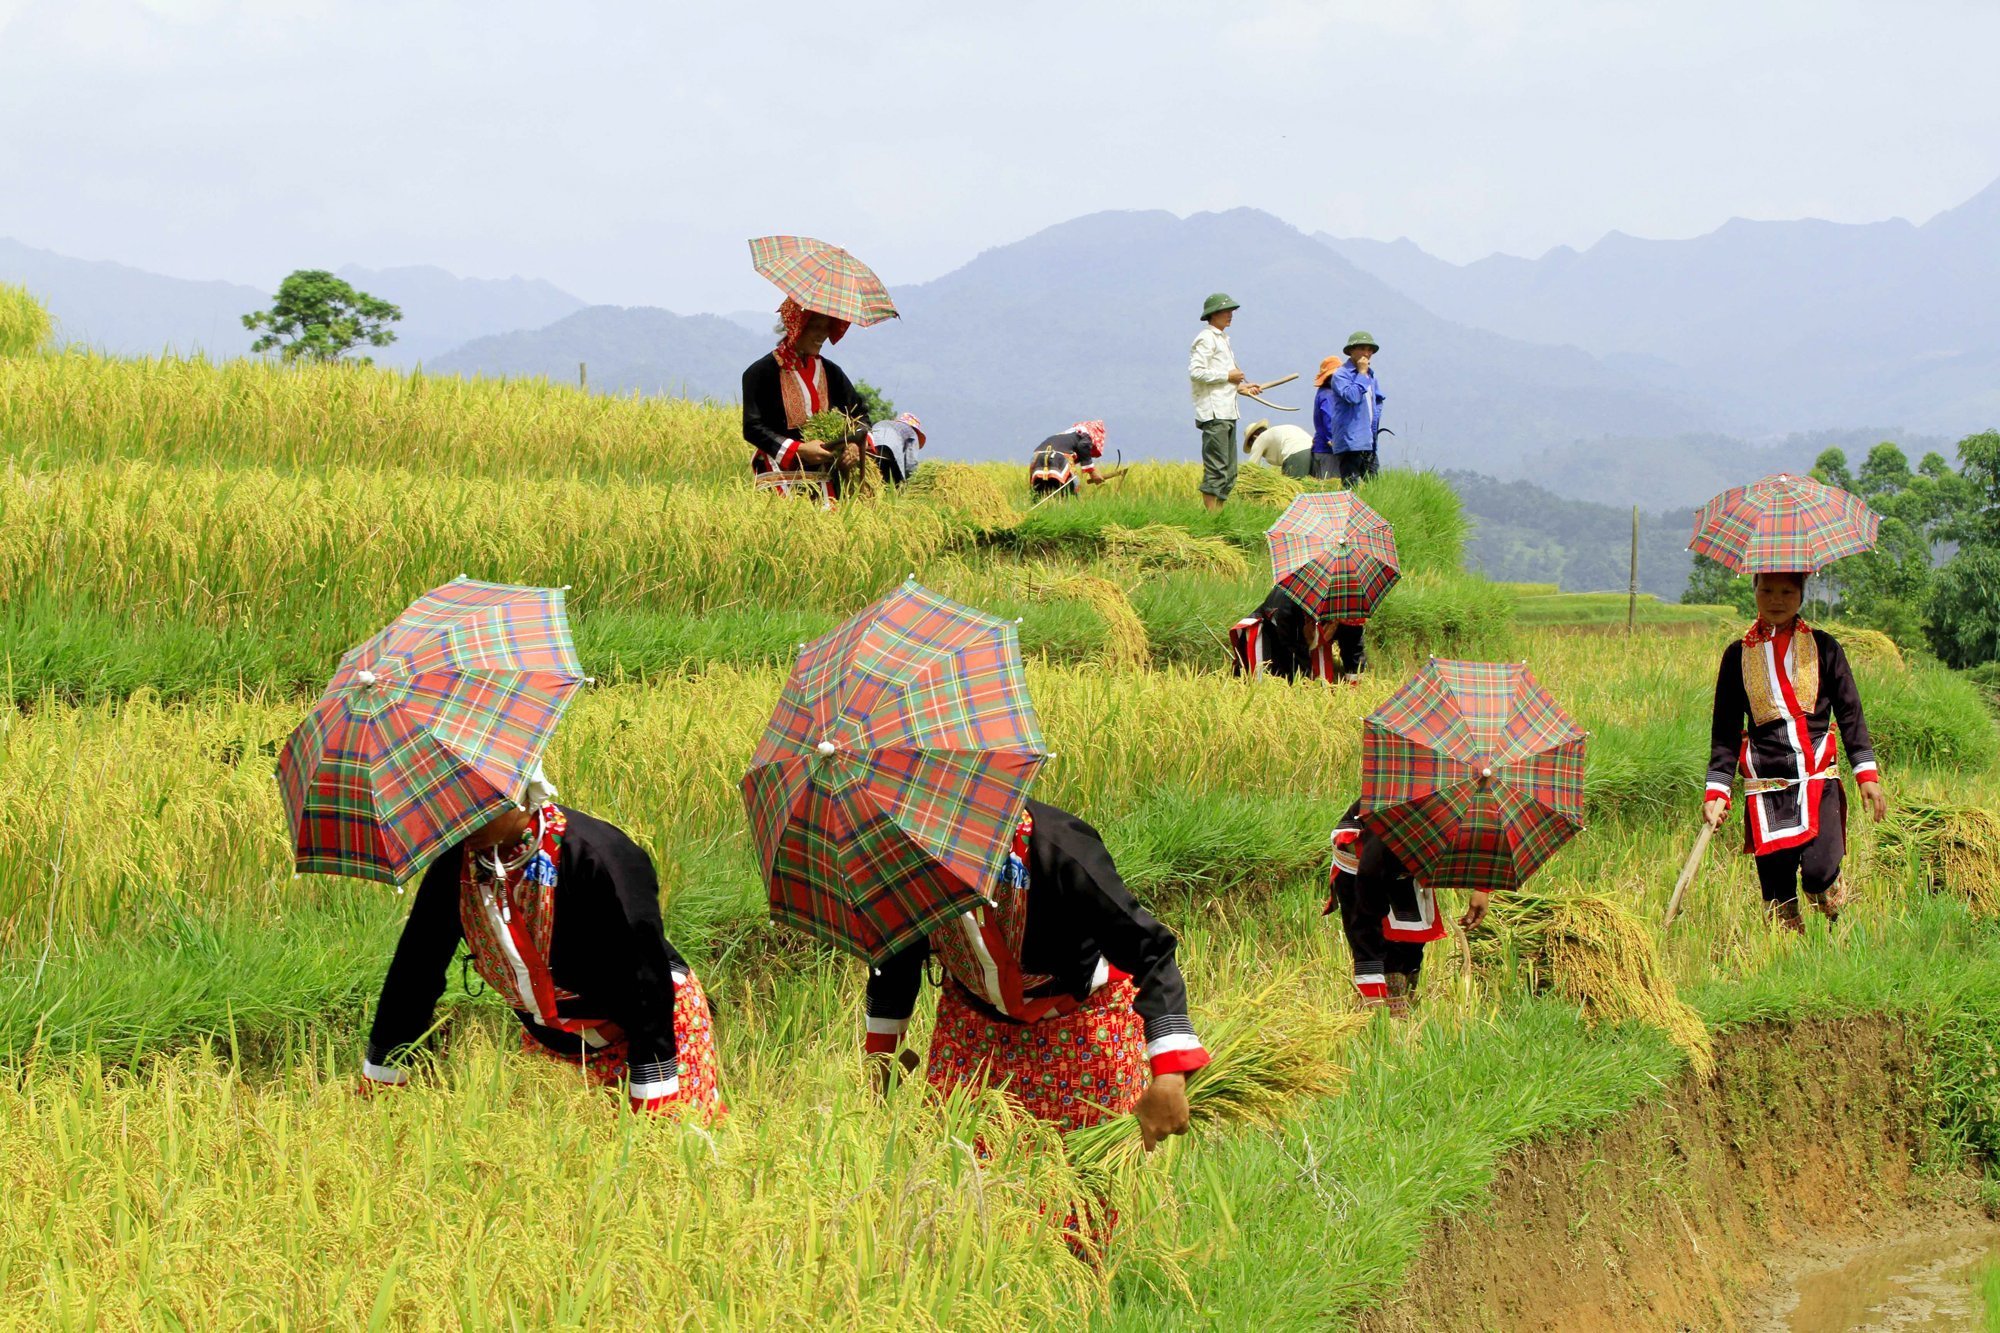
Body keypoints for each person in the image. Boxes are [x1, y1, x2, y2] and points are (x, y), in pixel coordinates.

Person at [359, 767, 725, 1117]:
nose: (465, 821)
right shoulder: (456, 868)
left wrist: (652, 1092)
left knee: (660, 1148)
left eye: (481, 805)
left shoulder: (597, 857)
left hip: (651, 1022)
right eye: (454, 807)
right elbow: (415, 972)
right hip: (555, 1038)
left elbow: (645, 981)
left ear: (520, 789)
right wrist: (384, 1077)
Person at [860, 800, 1210, 1148]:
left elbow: (1150, 952)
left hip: (1080, 1031)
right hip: (972, 1034)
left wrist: (1169, 1075)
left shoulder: (1059, 846)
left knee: (1084, 1184)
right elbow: (895, 956)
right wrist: (882, 1058)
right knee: (963, 1182)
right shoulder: (905, 863)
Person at [1703, 571, 1888, 932]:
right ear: (1754, 591)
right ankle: (1790, 965)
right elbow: (1724, 731)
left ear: (1801, 594)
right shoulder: (1737, 656)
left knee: (1819, 871)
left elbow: (1850, 712)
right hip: (1766, 784)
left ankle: (1834, 910)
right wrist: (1717, 791)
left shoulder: (1825, 647)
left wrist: (1866, 774)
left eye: (1787, 591)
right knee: (1777, 893)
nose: (1776, 599)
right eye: (1767, 590)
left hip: (1817, 775)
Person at [1326, 799, 1491, 1017]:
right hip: (1361, 867)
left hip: (1407, 863)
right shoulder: (1390, 819)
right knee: (1378, 948)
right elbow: (1366, 912)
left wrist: (1482, 888)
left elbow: (1485, 840)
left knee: (1410, 949)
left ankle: (1402, 1014)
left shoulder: (1471, 805)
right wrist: (1372, 986)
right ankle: (1378, 1020)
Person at [741, 297, 867, 500]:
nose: (823, 335)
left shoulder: (832, 373)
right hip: (777, 477)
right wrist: (799, 450)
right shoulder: (761, 373)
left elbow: (860, 416)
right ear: (795, 325)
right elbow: (753, 427)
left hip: (826, 479)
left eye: (827, 327)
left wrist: (853, 446)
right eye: (815, 326)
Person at [1189, 293, 1262, 512]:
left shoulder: (1223, 339)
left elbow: (1224, 379)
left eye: (1231, 311)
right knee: (1217, 469)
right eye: (1225, 311)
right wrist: (1227, 376)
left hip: (1228, 410)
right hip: (1214, 413)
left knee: (1230, 471)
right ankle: (1212, 518)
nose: (1230, 315)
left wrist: (1242, 388)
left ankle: (1219, 514)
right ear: (1213, 314)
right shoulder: (1206, 338)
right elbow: (1196, 372)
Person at [1228, 585, 1366, 682]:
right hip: (1273, 634)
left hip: (1308, 635)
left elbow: (1353, 646)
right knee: (1271, 684)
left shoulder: (1351, 600)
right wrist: (1304, 680)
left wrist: (1354, 681)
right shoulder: (1288, 599)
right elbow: (1291, 649)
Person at [1314, 333, 1385, 487]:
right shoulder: (1341, 375)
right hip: (1350, 442)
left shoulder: (1371, 376)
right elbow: (1352, 396)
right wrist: (1361, 373)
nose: (1366, 354)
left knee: (1374, 486)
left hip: (1368, 440)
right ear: (1351, 351)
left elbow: (1377, 401)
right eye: (1362, 349)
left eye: (1369, 350)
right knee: (1351, 485)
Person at [1029, 420, 1110, 499]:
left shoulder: (1067, 435)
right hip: (1057, 457)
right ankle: (1077, 506)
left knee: (1042, 489)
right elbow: (1083, 446)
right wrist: (1092, 473)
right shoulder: (1085, 435)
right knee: (1072, 485)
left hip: (1037, 456)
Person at [868, 411, 926, 487]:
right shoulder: (911, 433)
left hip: (871, 450)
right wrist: (912, 481)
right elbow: (910, 462)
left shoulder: (883, 423)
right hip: (891, 453)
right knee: (894, 485)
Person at [1243, 418, 1314, 478]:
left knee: (1290, 490)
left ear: (1254, 437)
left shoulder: (1259, 438)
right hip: (1313, 452)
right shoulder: (1279, 431)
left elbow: (1251, 467)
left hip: (1296, 455)